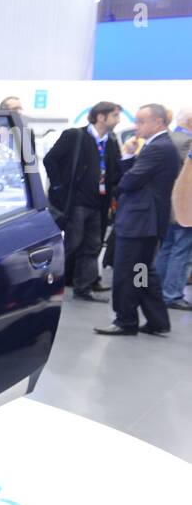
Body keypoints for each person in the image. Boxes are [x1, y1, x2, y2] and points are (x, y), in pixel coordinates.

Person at [95, 103, 181, 336]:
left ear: (159, 123)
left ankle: (126, 320)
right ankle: (157, 319)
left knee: (126, 272)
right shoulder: (161, 146)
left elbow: (128, 182)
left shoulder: (157, 148)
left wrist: (127, 156)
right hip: (147, 223)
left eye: (142, 121)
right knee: (142, 271)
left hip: (138, 222)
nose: (137, 126)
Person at [42, 101, 122, 300]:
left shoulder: (111, 141)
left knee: (92, 246)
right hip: (76, 202)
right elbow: (50, 159)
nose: (118, 119)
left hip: (98, 204)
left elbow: (114, 171)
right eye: (115, 115)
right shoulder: (75, 136)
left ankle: (83, 287)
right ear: (101, 117)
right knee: (71, 244)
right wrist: (59, 187)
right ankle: (47, 282)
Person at [151, 107, 192, 311]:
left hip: (167, 205)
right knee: (182, 251)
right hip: (185, 206)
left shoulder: (166, 139)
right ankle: (172, 294)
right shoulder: (187, 142)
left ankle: (159, 291)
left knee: (167, 248)